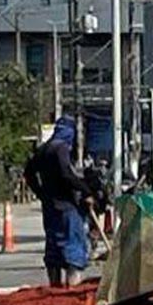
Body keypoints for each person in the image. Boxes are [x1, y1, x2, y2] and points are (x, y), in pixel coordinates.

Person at [24, 116, 93, 287]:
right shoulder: (60, 149)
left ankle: (54, 290)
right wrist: (86, 191)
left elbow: (28, 173)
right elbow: (66, 174)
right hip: (67, 206)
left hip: (50, 206)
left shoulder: (43, 149)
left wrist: (41, 193)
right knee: (73, 251)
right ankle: (72, 290)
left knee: (53, 249)